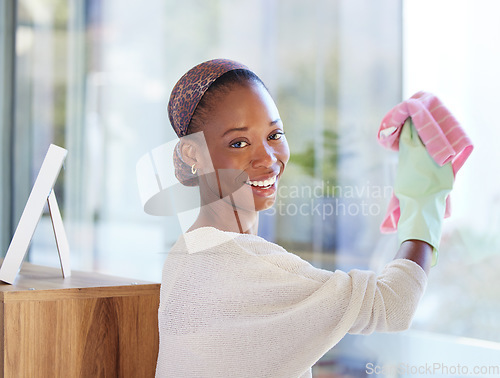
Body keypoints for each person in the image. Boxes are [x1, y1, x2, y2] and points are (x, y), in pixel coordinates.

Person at [155, 59, 454, 378]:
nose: (268, 160)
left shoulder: (186, 252)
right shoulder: (244, 265)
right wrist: (423, 203)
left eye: (274, 134)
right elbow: (393, 306)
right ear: (192, 154)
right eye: (239, 142)